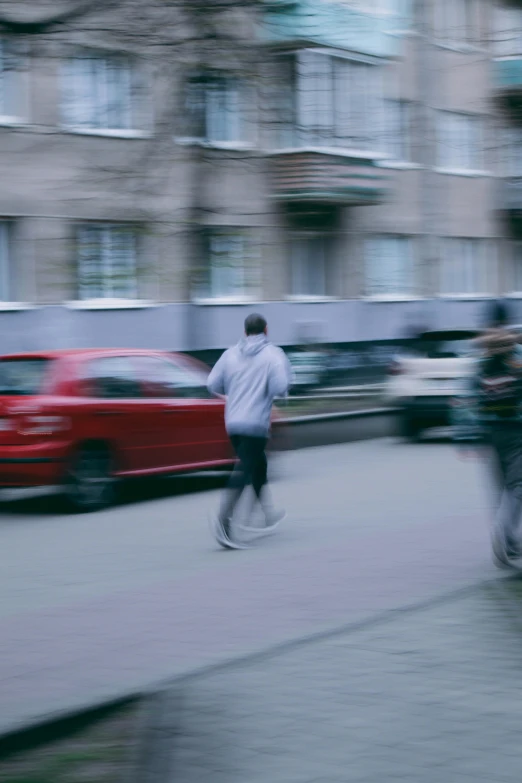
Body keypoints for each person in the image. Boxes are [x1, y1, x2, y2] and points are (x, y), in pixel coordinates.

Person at [207, 313, 292, 549]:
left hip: (233, 422)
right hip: (255, 424)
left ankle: (267, 514)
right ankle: (224, 521)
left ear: (245, 332)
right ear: (266, 330)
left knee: (258, 465)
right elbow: (279, 386)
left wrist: (236, 386)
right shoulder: (273, 355)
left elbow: (212, 384)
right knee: (244, 469)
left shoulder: (230, 354)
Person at [452, 300, 522, 567]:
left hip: (489, 431)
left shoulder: (480, 354)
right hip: (517, 429)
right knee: (518, 487)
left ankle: (509, 538)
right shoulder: (516, 351)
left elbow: (465, 398)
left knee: (500, 488)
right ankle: (504, 535)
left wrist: (464, 436)